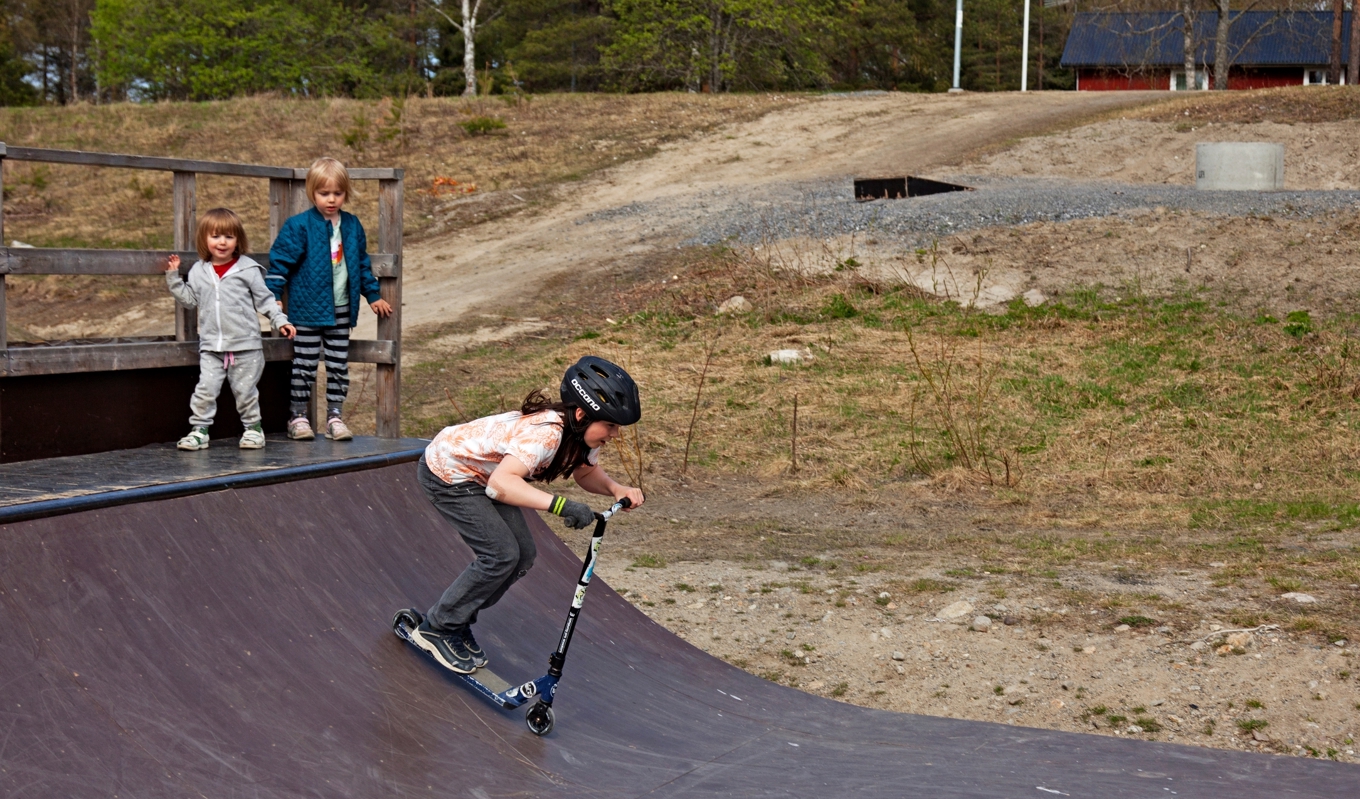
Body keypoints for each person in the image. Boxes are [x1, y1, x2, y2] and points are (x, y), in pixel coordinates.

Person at [411, 356, 645, 674]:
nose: (614, 434)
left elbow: (586, 473)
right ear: (581, 413)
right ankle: (437, 628)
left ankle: (457, 619)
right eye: (611, 425)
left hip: (486, 477)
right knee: (500, 554)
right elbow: (501, 484)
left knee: (523, 556)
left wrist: (616, 488)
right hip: (450, 472)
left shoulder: (579, 435)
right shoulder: (547, 434)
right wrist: (561, 506)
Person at [267, 157, 393, 442]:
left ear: (346, 193)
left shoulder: (351, 225)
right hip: (306, 312)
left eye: (338, 193)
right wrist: (274, 297)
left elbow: (360, 264)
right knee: (304, 365)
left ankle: (335, 417)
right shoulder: (299, 226)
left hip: (341, 311)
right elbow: (280, 263)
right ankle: (298, 416)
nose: (332, 199)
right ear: (312, 192)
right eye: (324, 193)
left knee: (338, 366)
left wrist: (372, 295)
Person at [165, 208, 296, 451]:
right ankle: (199, 431)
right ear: (205, 239)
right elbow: (190, 300)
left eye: (229, 236)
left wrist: (281, 321)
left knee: (245, 392)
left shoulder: (248, 269)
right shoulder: (198, 271)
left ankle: (253, 429)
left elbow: (265, 300)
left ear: (238, 240)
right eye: (215, 236)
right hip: (212, 347)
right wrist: (174, 278)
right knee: (205, 390)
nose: (222, 242)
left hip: (246, 346)